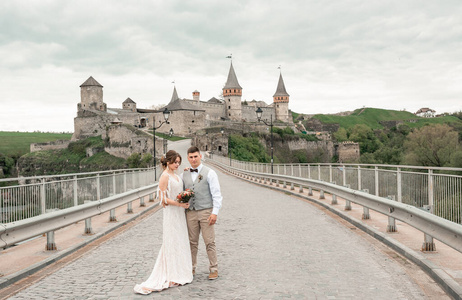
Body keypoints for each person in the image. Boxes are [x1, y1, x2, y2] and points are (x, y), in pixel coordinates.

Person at [133, 150, 193, 295]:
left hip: (179, 213)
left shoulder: (176, 175)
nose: (177, 164)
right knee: (172, 241)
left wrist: (185, 173)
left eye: (178, 162)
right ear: (168, 162)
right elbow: (163, 199)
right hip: (172, 213)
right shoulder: (164, 176)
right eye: (175, 162)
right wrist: (179, 204)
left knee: (181, 240)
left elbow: (179, 188)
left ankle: (180, 270)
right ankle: (171, 272)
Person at [183, 146, 223, 280]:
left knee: (209, 241)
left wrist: (214, 212)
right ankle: (191, 268)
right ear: (188, 158)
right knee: (192, 242)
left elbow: (217, 194)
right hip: (191, 213)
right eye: (191, 157)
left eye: (195, 156)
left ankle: (214, 268)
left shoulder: (210, 173)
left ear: (200, 156)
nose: (193, 159)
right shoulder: (184, 174)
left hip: (206, 211)